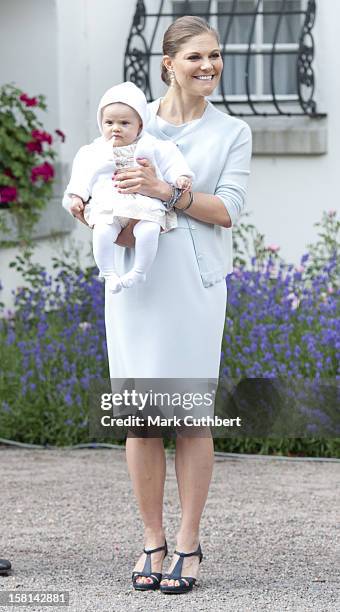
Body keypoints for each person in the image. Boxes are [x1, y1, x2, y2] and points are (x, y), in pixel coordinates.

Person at [63, 15, 251, 595]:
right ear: (167, 64)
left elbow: (228, 210)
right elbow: (95, 180)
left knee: (191, 416)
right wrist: (96, 215)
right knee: (141, 419)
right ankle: (152, 541)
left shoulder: (231, 132)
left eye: (215, 56)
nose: (209, 66)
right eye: (196, 57)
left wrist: (166, 191)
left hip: (194, 286)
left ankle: (189, 545)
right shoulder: (126, 115)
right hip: (134, 282)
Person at [65, 81, 194, 293]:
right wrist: (77, 196)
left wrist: (180, 177)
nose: (115, 128)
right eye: (109, 123)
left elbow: (172, 160)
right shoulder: (93, 151)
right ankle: (108, 273)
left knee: (149, 230)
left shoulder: (152, 145)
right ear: (101, 124)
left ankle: (140, 270)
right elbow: (82, 174)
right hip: (109, 204)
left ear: (140, 125)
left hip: (143, 206)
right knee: (103, 232)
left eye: (124, 123)